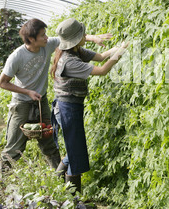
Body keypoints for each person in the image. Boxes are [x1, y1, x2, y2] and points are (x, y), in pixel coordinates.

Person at [0, 18, 112, 171]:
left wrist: (93, 38)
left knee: (49, 141)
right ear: (32, 39)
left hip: (41, 99)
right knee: (14, 146)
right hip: (21, 103)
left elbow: (70, 38)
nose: (47, 38)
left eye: (46, 34)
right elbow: (3, 83)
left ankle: (57, 180)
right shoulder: (16, 57)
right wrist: (28, 92)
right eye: (43, 35)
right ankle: (2, 180)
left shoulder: (47, 44)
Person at [50, 18, 128, 194]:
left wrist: (117, 48)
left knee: (73, 150)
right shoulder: (70, 61)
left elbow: (100, 57)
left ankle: (56, 183)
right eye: (83, 34)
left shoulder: (73, 50)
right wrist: (119, 54)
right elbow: (102, 70)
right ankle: (74, 200)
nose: (86, 36)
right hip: (67, 110)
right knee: (76, 153)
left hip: (69, 108)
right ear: (77, 39)